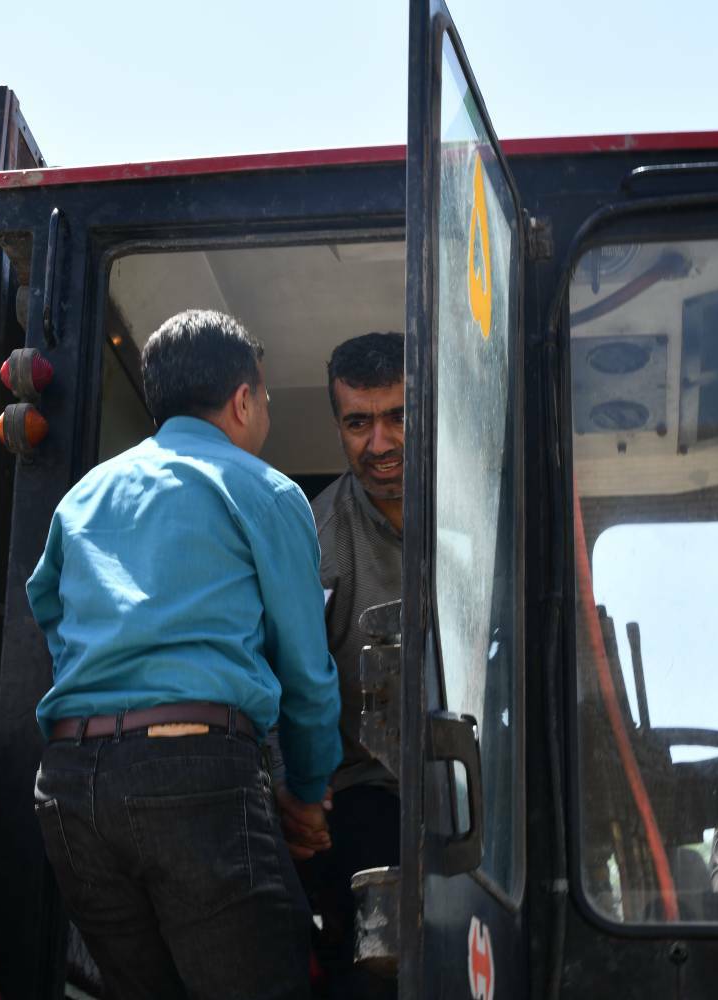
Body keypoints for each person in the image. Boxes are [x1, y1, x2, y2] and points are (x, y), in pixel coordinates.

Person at [27, 308, 343, 1000]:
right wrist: (308, 792)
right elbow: (306, 672)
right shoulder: (264, 490)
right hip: (192, 773)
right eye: (264, 399)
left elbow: (50, 615)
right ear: (243, 399)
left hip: (71, 789)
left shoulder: (82, 497)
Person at [280, 331, 406, 999]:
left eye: (398, 416)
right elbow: (282, 677)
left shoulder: (494, 509)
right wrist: (296, 788)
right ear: (338, 426)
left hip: (488, 784)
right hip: (367, 789)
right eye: (359, 423)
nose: (380, 442)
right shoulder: (315, 539)